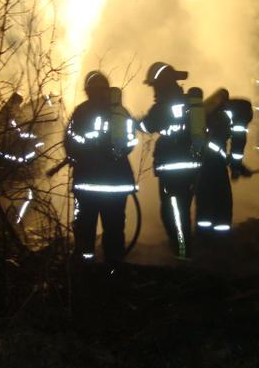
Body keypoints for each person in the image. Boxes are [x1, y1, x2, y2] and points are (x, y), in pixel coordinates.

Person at [64, 71, 138, 266]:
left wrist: (79, 154)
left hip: (87, 184)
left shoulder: (81, 112)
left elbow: (70, 142)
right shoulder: (120, 112)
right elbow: (130, 143)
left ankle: (84, 265)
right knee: (114, 227)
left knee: (85, 227)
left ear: (88, 91)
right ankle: (114, 268)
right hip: (116, 184)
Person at [139, 62, 202, 259]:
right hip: (191, 166)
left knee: (173, 212)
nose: (153, 90)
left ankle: (183, 254)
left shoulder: (162, 106)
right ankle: (184, 250)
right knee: (182, 209)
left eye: (154, 85)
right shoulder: (188, 102)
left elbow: (148, 125)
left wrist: (132, 122)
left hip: (172, 168)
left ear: (162, 84)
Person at [196, 88, 233, 232]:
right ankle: (220, 234)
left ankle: (203, 233)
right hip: (215, 163)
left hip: (203, 164)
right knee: (222, 197)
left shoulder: (205, 113)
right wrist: (225, 157)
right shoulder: (219, 116)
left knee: (204, 197)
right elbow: (215, 144)